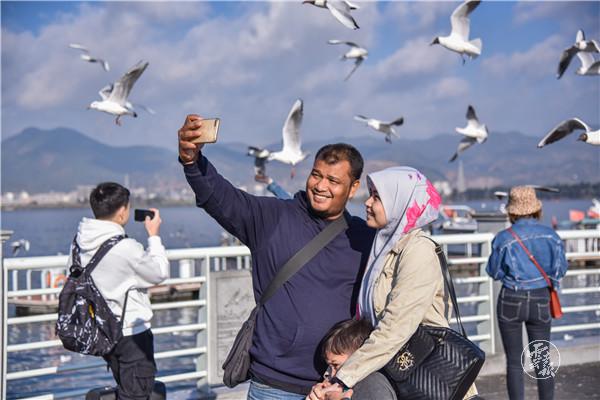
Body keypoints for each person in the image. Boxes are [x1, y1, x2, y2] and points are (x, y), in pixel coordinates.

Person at [177, 115, 374, 399]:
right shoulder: (272, 218)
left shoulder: (363, 238)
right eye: (316, 175)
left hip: (335, 385)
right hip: (273, 385)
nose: (321, 186)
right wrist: (192, 162)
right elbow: (222, 198)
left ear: (353, 188)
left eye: (333, 180)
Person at [308, 166, 478, 400]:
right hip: (397, 372)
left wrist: (344, 377)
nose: (367, 202)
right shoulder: (383, 248)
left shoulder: (417, 251)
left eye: (377, 197)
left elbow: (397, 326)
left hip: (427, 379)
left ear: (400, 203)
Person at [68, 182, 169, 399]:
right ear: (122, 211)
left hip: (103, 332)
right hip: (132, 335)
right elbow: (159, 273)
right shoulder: (125, 247)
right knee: (136, 394)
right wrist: (154, 236)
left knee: (126, 389)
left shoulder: (79, 243)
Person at [486, 186, 568, 400]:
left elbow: (494, 272)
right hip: (541, 298)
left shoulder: (503, 238)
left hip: (511, 299)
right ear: (536, 209)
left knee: (514, 362)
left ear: (511, 211)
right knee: (542, 359)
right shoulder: (551, 236)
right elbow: (560, 271)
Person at [308, 319, 396, 400]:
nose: (332, 375)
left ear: (357, 357)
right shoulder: (341, 386)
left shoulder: (372, 385)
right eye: (330, 367)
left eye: (336, 365)